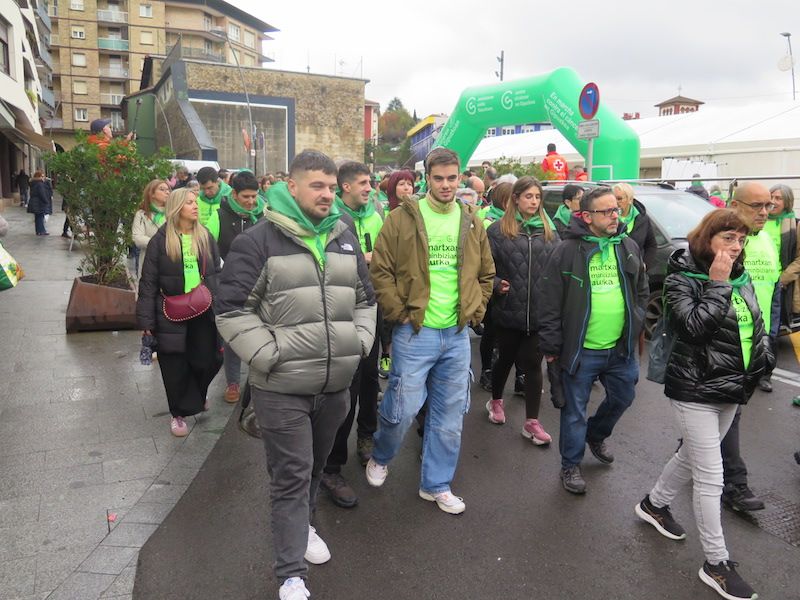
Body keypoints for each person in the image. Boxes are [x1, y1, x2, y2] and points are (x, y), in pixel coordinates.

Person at [215, 150, 376, 600]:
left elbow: (366, 300)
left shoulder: (344, 237)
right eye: (317, 186)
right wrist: (269, 355)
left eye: (331, 186)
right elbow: (229, 309)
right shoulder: (258, 241)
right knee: (291, 473)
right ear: (292, 186)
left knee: (313, 470)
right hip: (281, 390)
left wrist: (359, 344)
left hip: (336, 387)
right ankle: (291, 574)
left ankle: (302, 527)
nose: (327, 194)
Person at [635, 209, 768, 600]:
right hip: (694, 388)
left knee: (693, 459)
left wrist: (762, 365)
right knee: (711, 476)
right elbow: (694, 328)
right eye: (728, 238)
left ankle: (653, 504)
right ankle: (716, 563)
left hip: (732, 387)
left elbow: (754, 325)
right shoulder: (683, 278)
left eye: (741, 239)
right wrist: (717, 284)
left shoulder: (740, 276)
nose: (736, 246)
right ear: (707, 239)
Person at [365, 147, 495, 515]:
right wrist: (400, 314)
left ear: (460, 176)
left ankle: (435, 484)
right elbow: (381, 273)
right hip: (415, 332)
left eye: (452, 178)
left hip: (456, 335)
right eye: (438, 178)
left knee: (451, 415)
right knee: (403, 409)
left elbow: (486, 273)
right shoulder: (401, 218)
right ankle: (382, 454)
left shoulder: (471, 220)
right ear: (427, 178)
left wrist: (475, 309)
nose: (446, 185)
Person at [538, 186, 648, 494]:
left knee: (624, 397)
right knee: (574, 411)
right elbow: (548, 302)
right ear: (586, 217)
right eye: (607, 211)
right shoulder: (567, 251)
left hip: (619, 347)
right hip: (580, 350)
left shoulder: (626, 245)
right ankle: (570, 464)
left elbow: (641, 288)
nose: (615, 216)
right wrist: (551, 348)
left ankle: (596, 434)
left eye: (616, 209)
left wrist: (636, 318)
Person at [319, 161, 384, 508]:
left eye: (370, 182)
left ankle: (366, 438)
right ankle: (331, 466)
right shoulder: (332, 221)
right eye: (363, 182)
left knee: (371, 380)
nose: (369, 187)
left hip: (372, 309)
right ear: (344, 187)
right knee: (345, 391)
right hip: (340, 318)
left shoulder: (375, 214)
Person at [136, 187, 223, 437]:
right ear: (176, 208)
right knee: (174, 365)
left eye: (195, 202)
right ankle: (178, 414)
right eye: (189, 203)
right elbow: (148, 282)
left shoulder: (205, 236)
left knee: (210, 359)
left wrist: (221, 306)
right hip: (169, 311)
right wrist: (147, 322)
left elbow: (216, 274)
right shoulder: (160, 240)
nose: (195, 206)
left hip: (203, 309)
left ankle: (197, 394)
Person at [719, 182, 779, 512]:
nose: (764, 213)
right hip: (725, 346)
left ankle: (690, 450)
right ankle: (735, 485)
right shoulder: (723, 241)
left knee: (718, 420)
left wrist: (765, 340)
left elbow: (767, 289)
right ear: (734, 205)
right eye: (756, 206)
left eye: (768, 206)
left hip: (755, 340)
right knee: (731, 413)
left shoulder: (764, 237)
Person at [486, 177, 559, 444]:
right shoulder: (497, 230)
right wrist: (495, 284)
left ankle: (532, 422)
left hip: (539, 311)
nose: (534, 201)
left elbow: (558, 268)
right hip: (508, 310)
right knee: (504, 359)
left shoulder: (549, 231)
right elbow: (484, 267)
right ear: (515, 198)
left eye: (537, 197)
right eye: (528, 196)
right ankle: (495, 401)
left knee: (532, 363)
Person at [207, 170, 265, 404]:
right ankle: (232, 382)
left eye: (254, 196)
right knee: (232, 336)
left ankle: (258, 382)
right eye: (246, 197)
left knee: (260, 336)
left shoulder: (264, 215)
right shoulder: (219, 216)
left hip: (259, 286)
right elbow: (208, 251)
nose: (252, 202)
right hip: (229, 287)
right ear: (234, 194)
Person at [378, 170, 415, 378]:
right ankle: (385, 358)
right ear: (393, 188)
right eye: (401, 184)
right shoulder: (384, 213)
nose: (406, 188)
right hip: (389, 278)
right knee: (387, 325)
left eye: (409, 184)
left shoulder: (418, 212)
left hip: (408, 278)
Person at [769, 185, 800, 327]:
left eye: (778, 198)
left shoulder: (796, 225)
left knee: (774, 326)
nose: (773, 201)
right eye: (771, 197)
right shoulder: (758, 222)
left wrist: (783, 279)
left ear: (787, 202)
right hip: (757, 281)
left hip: (780, 284)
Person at [612, 182, 658, 268]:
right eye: (613, 199)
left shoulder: (642, 218)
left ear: (630, 200)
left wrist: (644, 265)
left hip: (636, 272)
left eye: (619, 199)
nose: (615, 203)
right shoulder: (608, 218)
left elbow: (651, 245)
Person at [132, 180, 170, 278]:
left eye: (168, 189)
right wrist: (160, 243)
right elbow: (137, 238)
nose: (167, 192)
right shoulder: (141, 214)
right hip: (149, 258)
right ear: (152, 194)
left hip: (170, 260)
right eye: (162, 189)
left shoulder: (173, 213)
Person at [27, 170, 53, 236]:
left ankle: (38, 231)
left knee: (37, 217)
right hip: (39, 202)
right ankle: (41, 231)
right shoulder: (40, 184)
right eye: (42, 176)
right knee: (40, 217)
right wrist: (46, 201)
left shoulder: (33, 183)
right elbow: (42, 194)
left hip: (34, 201)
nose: (43, 177)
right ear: (38, 176)